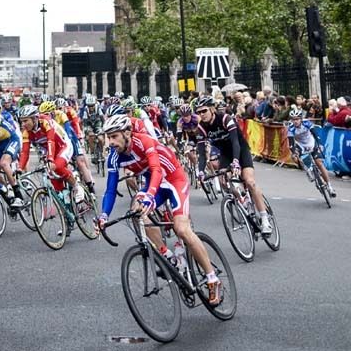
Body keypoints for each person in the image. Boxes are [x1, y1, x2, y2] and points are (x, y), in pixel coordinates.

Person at [98, 114, 222, 306]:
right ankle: (167, 256)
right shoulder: (114, 158)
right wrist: (103, 216)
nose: (110, 142)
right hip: (154, 183)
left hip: (173, 179)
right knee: (135, 211)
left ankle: (213, 278)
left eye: (114, 136)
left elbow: (156, 169)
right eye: (108, 137)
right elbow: (110, 189)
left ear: (127, 133)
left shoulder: (144, 141)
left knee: (181, 229)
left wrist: (149, 195)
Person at [194, 95, 273, 235]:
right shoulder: (201, 128)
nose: (201, 114)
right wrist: (200, 172)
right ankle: (242, 201)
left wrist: (236, 162)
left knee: (249, 181)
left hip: (240, 150)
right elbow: (201, 154)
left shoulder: (225, 119)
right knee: (224, 181)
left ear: (212, 109)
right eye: (198, 112)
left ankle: (265, 219)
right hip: (225, 153)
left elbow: (235, 142)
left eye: (204, 111)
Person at [18, 105, 84, 201]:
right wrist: (20, 168)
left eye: (25, 121)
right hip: (50, 150)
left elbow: (51, 140)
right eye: (21, 121)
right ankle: (65, 202)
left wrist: (50, 158)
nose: (23, 124)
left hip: (63, 145)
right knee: (51, 174)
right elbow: (25, 152)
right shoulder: (26, 132)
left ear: (35, 118)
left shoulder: (45, 121)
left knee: (56, 166)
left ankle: (77, 187)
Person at [287, 108, 336, 196]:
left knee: (319, 163)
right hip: (301, 146)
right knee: (294, 157)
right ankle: (307, 169)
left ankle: (330, 187)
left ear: (301, 119)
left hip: (311, 143)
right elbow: (291, 144)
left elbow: (316, 135)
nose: (295, 121)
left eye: (297, 119)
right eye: (293, 119)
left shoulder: (306, 123)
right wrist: (294, 152)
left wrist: (320, 144)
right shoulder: (290, 128)